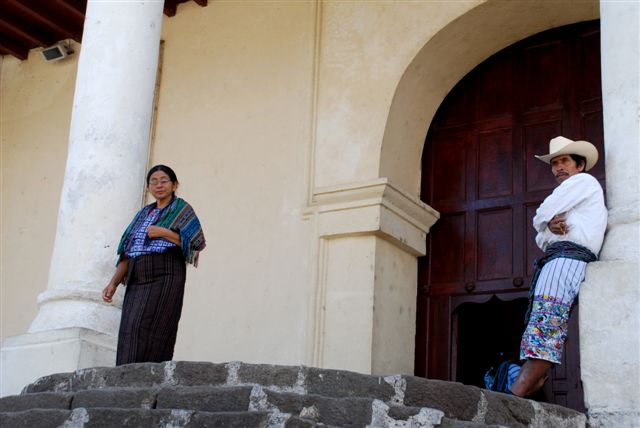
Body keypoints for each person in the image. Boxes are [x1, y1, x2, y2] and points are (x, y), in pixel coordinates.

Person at [509, 136, 607, 397]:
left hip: (567, 260)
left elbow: (541, 213)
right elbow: (542, 239)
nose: (558, 168)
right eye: (554, 163)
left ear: (580, 165)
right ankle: (534, 379)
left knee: (547, 319)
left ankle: (518, 390)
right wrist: (550, 227)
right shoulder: (576, 193)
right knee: (544, 318)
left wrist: (545, 221)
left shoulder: (582, 182)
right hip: (558, 259)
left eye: (564, 161)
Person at [102, 165, 206, 365]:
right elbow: (127, 249)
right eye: (154, 181)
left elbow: (194, 243)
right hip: (137, 274)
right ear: (148, 187)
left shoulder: (182, 209)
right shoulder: (143, 214)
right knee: (130, 326)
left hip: (165, 272)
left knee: (158, 324)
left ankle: (151, 375)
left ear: (174, 185)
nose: (159, 185)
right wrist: (113, 283)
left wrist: (164, 232)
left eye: (164, 180)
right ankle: (125, 375)